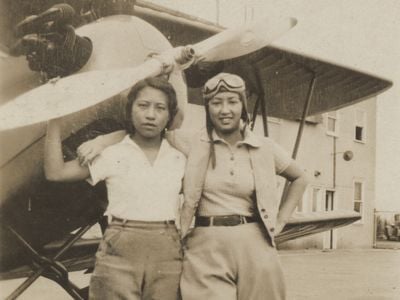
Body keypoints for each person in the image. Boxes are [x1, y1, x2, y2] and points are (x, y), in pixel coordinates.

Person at [78, 73, 310, 300]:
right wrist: (103, 140)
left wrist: (280, 220)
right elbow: (145, 131)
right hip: (205, 242)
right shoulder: (191, 141)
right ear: (208, 108)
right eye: (216, 103)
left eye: (232, 101)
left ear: (243, 105)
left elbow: (300, 177)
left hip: (254, 240)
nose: (225, 110)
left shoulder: (265, 147)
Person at [44, 77, 186, 300]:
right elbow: (56, 173)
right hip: (120, 247)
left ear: (169, 114)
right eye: (143, 105)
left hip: (167, 250)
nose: (150, 115)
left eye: (160, 108)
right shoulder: (114, 153)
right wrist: (54, 119)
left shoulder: (180, 156)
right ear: (130, 110)